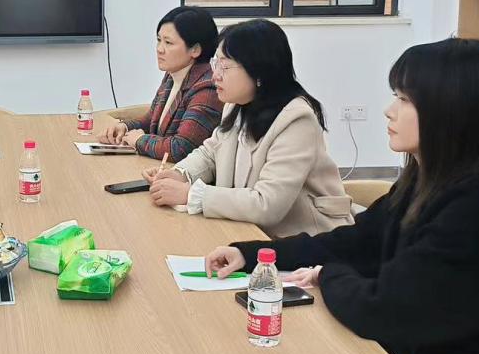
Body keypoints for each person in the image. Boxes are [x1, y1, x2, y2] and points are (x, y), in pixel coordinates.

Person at [203, 38, 479, 354]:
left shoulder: (477, 209)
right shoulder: (426, 181)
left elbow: (382, 309)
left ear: (451, 111)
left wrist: (328, 276)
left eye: (405, 100)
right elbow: (357, 240)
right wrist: (255, 254)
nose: (389, 111)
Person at [144, 18, 352, 237]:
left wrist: (191, 194)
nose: (215, 75)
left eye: (225, 67)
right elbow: (210, 153)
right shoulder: (236, 104)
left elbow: (267, 204)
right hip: (246, 229)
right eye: (216, 64)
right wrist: (179, 174)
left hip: (307, 239)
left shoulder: (297, 120)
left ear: (259, 72)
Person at [101, 6, 220, 162]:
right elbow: (152, 120)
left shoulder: (207, 89)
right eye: (159, 40)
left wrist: (139, 140)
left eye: (168, 43)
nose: (159, 49)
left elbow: (181, 148)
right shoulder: (173, 74)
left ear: (195, 50)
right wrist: (125, 127)